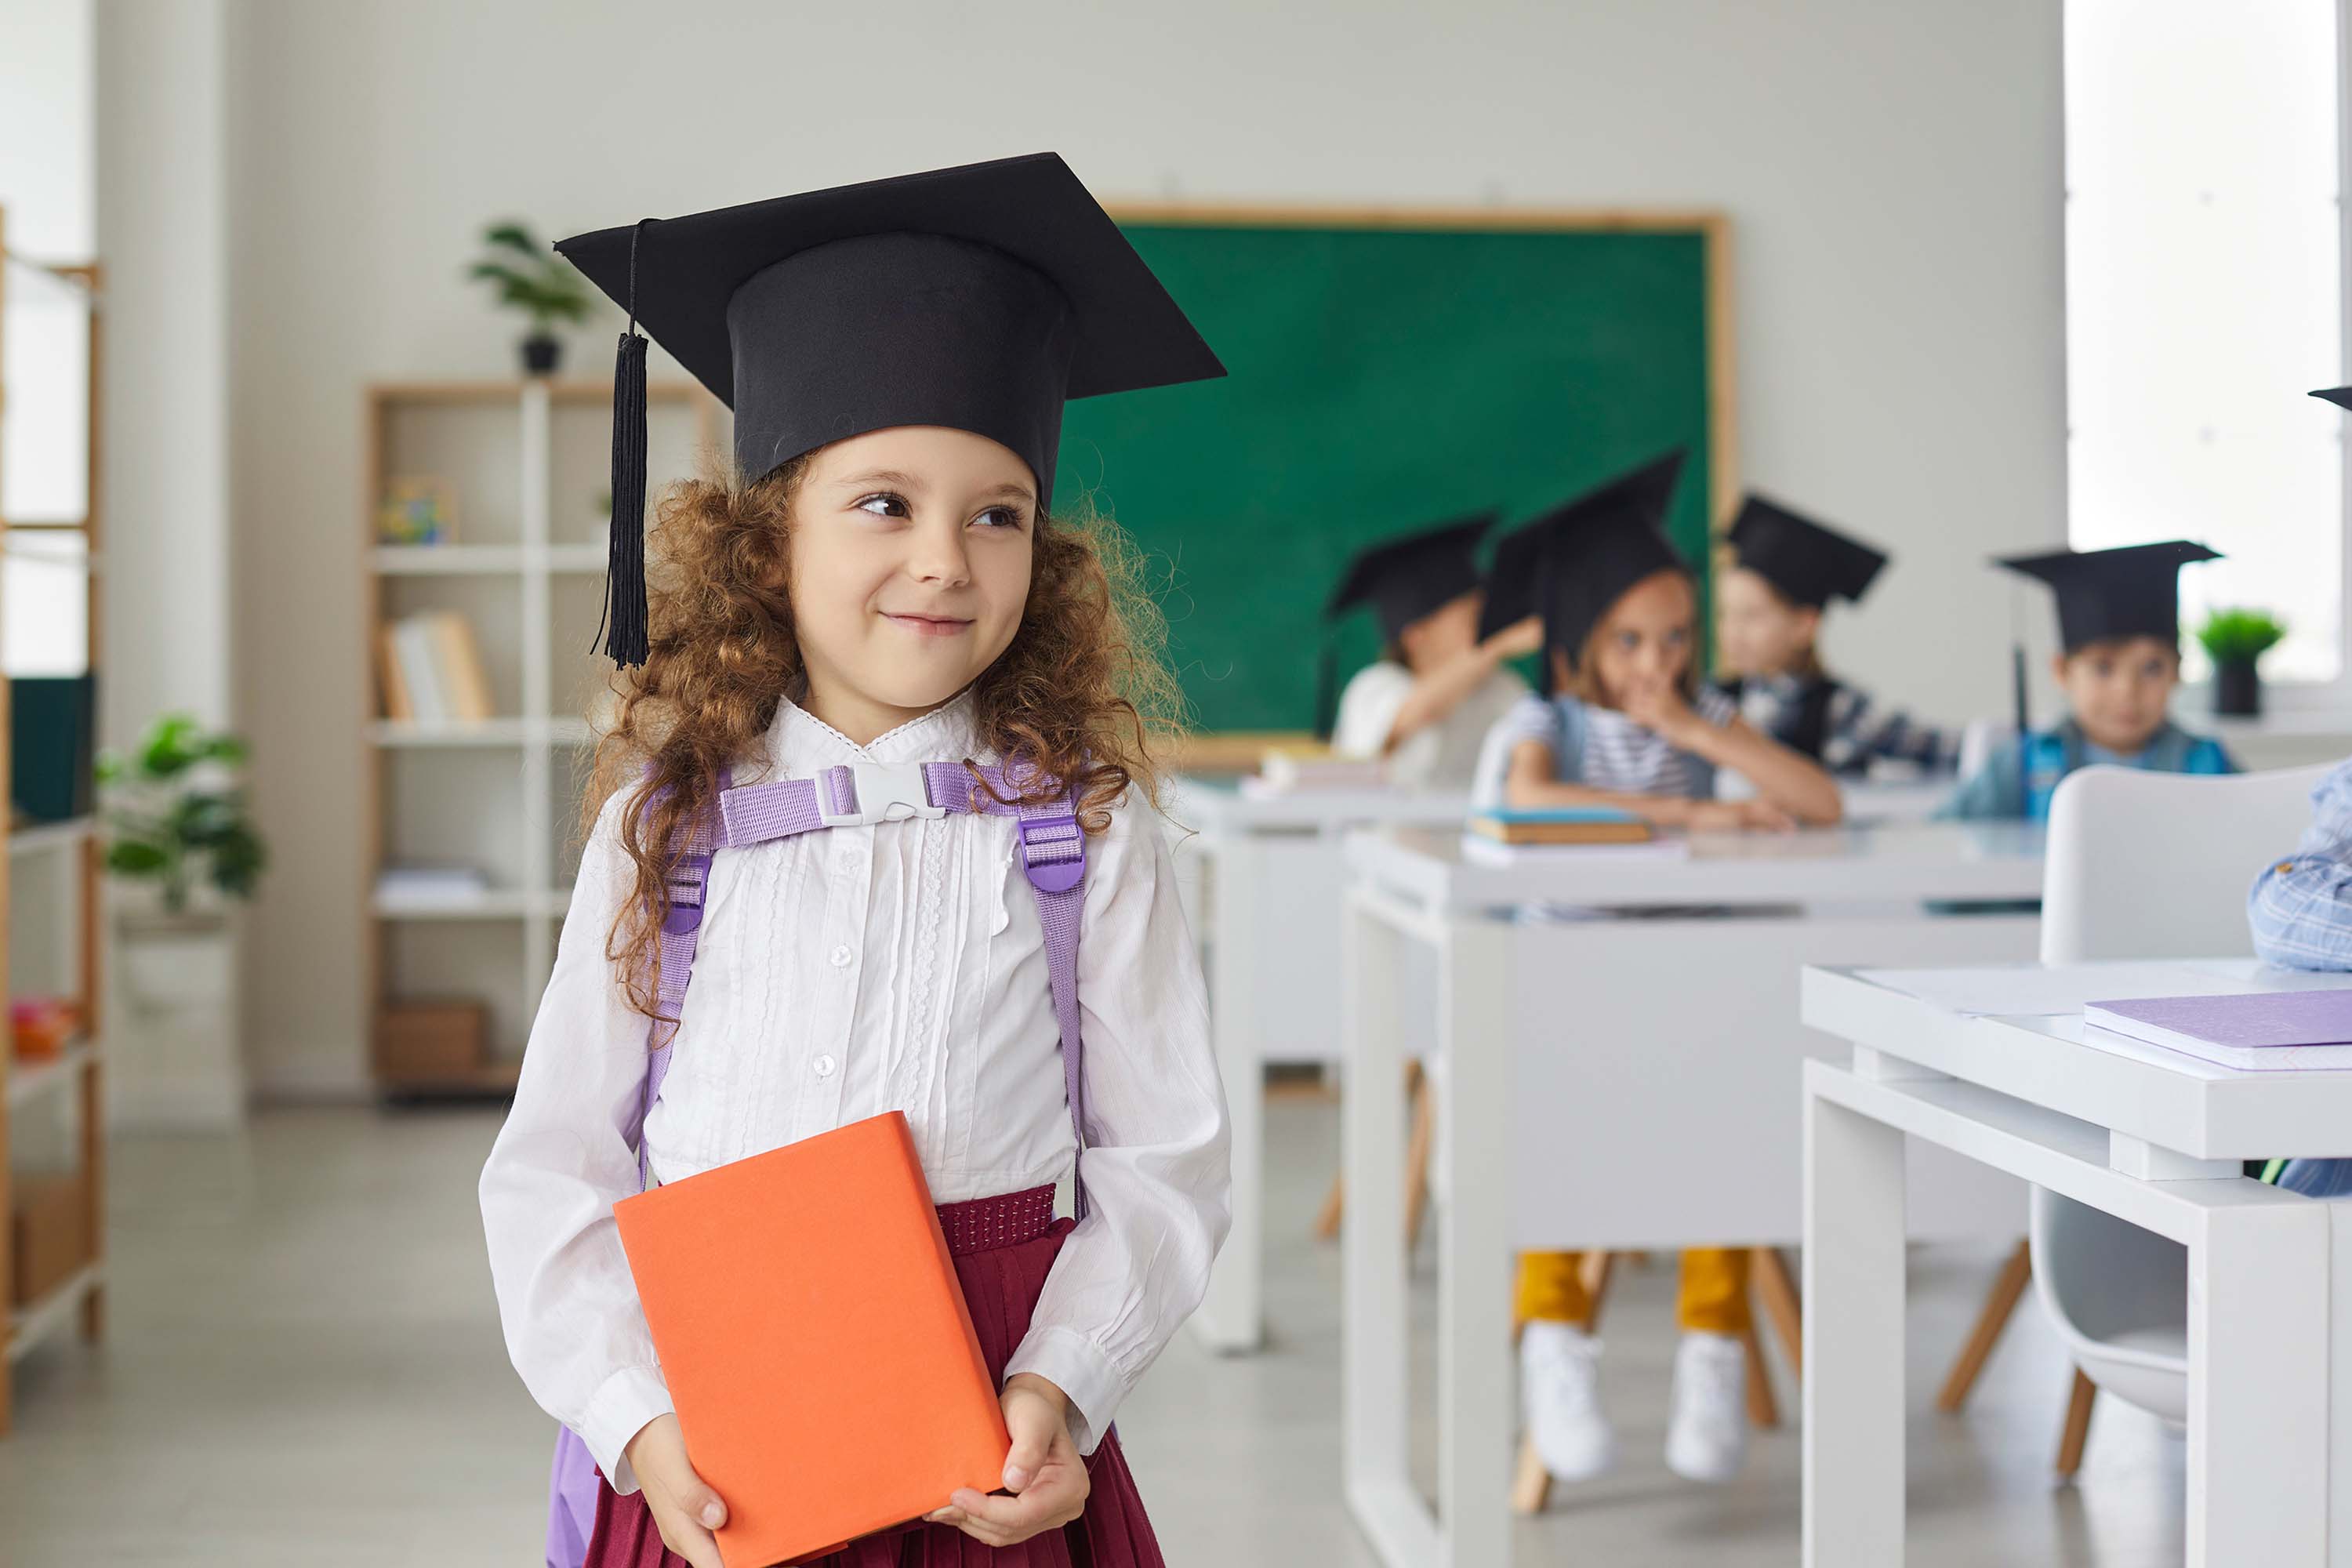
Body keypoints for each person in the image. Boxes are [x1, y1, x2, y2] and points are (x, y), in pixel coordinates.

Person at [478, 154, 1231, 1568]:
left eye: (995, 511)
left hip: (991, 1432)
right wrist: (639, 1422)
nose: (945, 559)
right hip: (712, 1437)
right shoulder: (672, 816)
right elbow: (555, 1171)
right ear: (769, 545)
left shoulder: (1080, 824)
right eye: (884, 504)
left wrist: (1063, 1386)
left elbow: (1166, 1160)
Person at [1470, 450, 1840, 1486]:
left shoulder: (1697, 716)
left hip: (1688, 997)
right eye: (1630, 640)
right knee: (1558, 1154)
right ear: (1584, 638)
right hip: (1572, 1003)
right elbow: (1529, 803)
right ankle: (1557, 1344)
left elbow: (1821, 804)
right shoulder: (1551, 722)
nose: (1657, 663)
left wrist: (1690, 729)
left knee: (1726, 1139)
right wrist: (1690, 811)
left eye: (1678, 638)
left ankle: (1713, 1346)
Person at [1940, 542, 2237, 820]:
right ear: (2062, 672)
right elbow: (1944, 836)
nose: (2127, 691)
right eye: (2103, 668)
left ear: (2177, 671)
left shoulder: (2208, 763)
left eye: (2151, 668)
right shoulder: (2021, 764)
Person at [1711, 493, 1955, 776]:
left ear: (1804, 625)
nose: (1732, 631)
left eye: (1751, 616)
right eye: (1725, 613)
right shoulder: (1713, 702)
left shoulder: (1845, 711)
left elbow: (1942, 748)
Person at [1327, 512, 1534, 786]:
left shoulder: (1503, 688)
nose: (1486, 627)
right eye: (1471, 620)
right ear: (1416, 635)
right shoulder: (1374, 687)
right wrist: (1497, 646)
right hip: (1383, 830)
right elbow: (1409, 716)